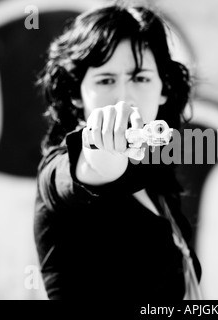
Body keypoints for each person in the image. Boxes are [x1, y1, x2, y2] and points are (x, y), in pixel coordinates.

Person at [34, 2, 202, 300]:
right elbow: (88, 171)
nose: (124, 98)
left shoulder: (156, 172)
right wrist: (102, 155)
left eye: (140, 78)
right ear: (75, 94)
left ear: (164, 88)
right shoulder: (60, 169)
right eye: (106, 80)